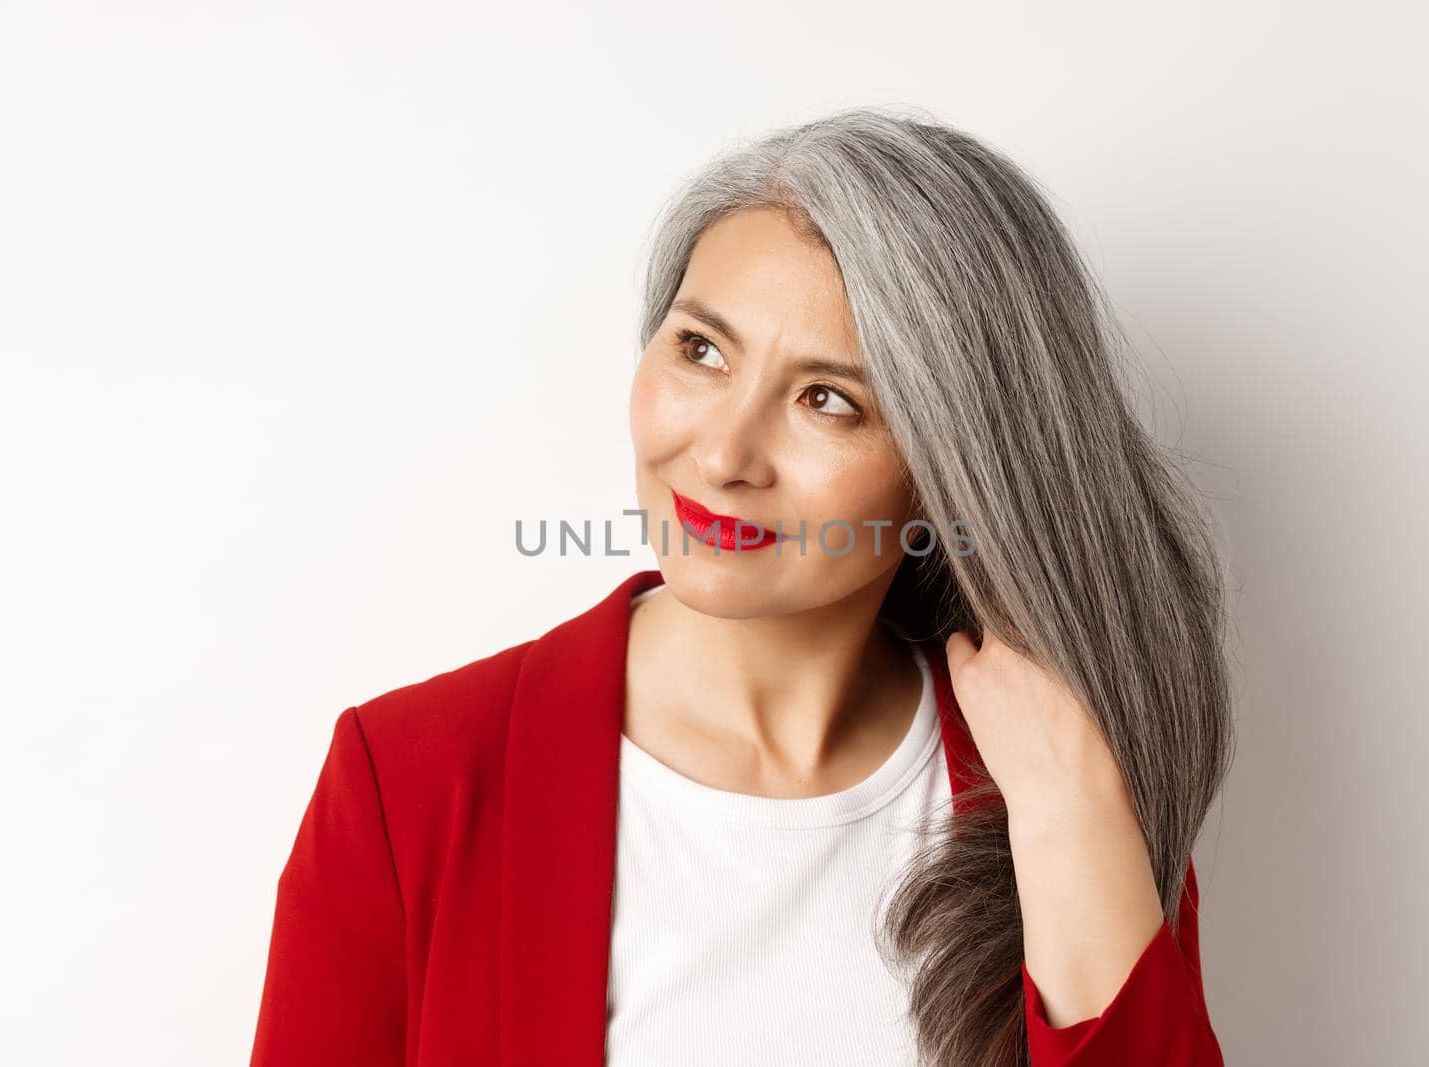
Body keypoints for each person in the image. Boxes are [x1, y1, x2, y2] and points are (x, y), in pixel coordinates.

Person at [249, 105, 1234, 1067]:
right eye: (700, 349)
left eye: (827, 399)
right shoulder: (413, 778)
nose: (721, 452)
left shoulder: (1059, 774)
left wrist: (1072, 824)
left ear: (953, 466)